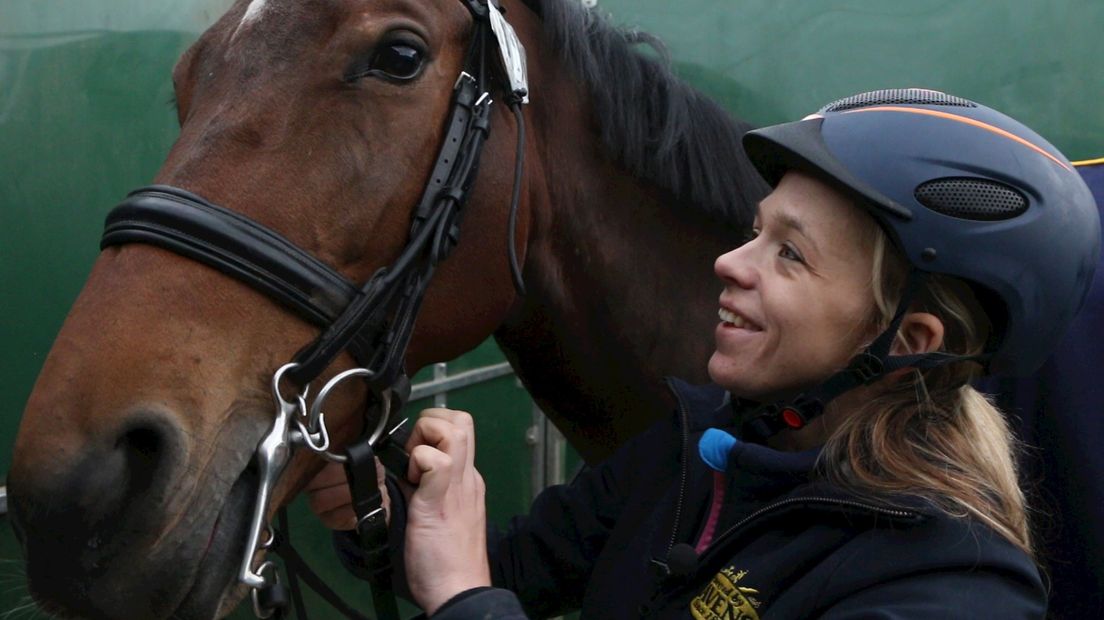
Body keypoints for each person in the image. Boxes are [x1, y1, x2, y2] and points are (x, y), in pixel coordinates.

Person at [306, 88, 1100, 618]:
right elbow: (512, 566)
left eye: (790, 255)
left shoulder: (950, 587)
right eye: (757, 230)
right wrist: (394, 508)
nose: (731, 263)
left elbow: (476, 586)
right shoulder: (697, 445)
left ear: (907, 341)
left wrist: (463, 596)